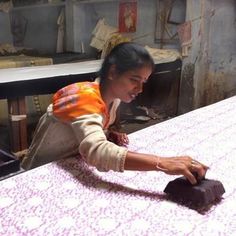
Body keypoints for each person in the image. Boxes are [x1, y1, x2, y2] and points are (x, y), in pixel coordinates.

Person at [21, 42, 208, 185]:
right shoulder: (84, 99)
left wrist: (107, 133)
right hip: (38, 172)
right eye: (134, 80)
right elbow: (97, 152)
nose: (140, 89)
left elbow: (87, 127)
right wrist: (163, 163)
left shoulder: (112, 99)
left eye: (144, 81)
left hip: (68, 165)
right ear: (112, 72)